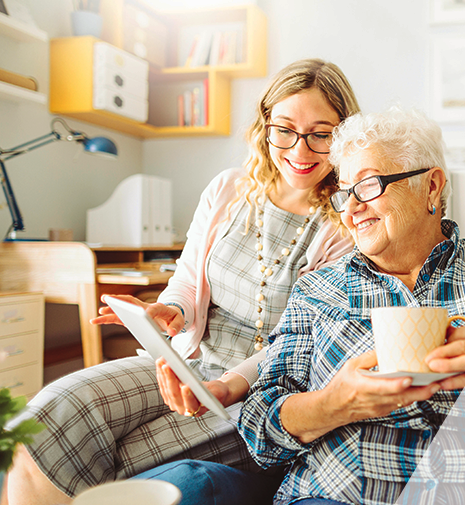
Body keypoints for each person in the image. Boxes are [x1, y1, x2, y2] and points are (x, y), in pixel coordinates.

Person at [2, 59, 360, 505]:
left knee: (120, 459)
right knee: (49, 416)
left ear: (344, 136)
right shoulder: (229, 189)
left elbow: (302, 338)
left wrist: (230, 383)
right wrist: (168, 311)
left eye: (320, 134)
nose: (300, 150)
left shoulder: (345, 225)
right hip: (189, 361)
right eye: (285, 129)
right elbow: (188, 282)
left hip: (262, 391)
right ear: (265, 126)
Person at [227, 107, 465, 505]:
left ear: (431, 187)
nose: (351, 208)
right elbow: (259, 431)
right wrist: (334, 404)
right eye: (345, 192)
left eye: (369, 185)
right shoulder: (319, 291)